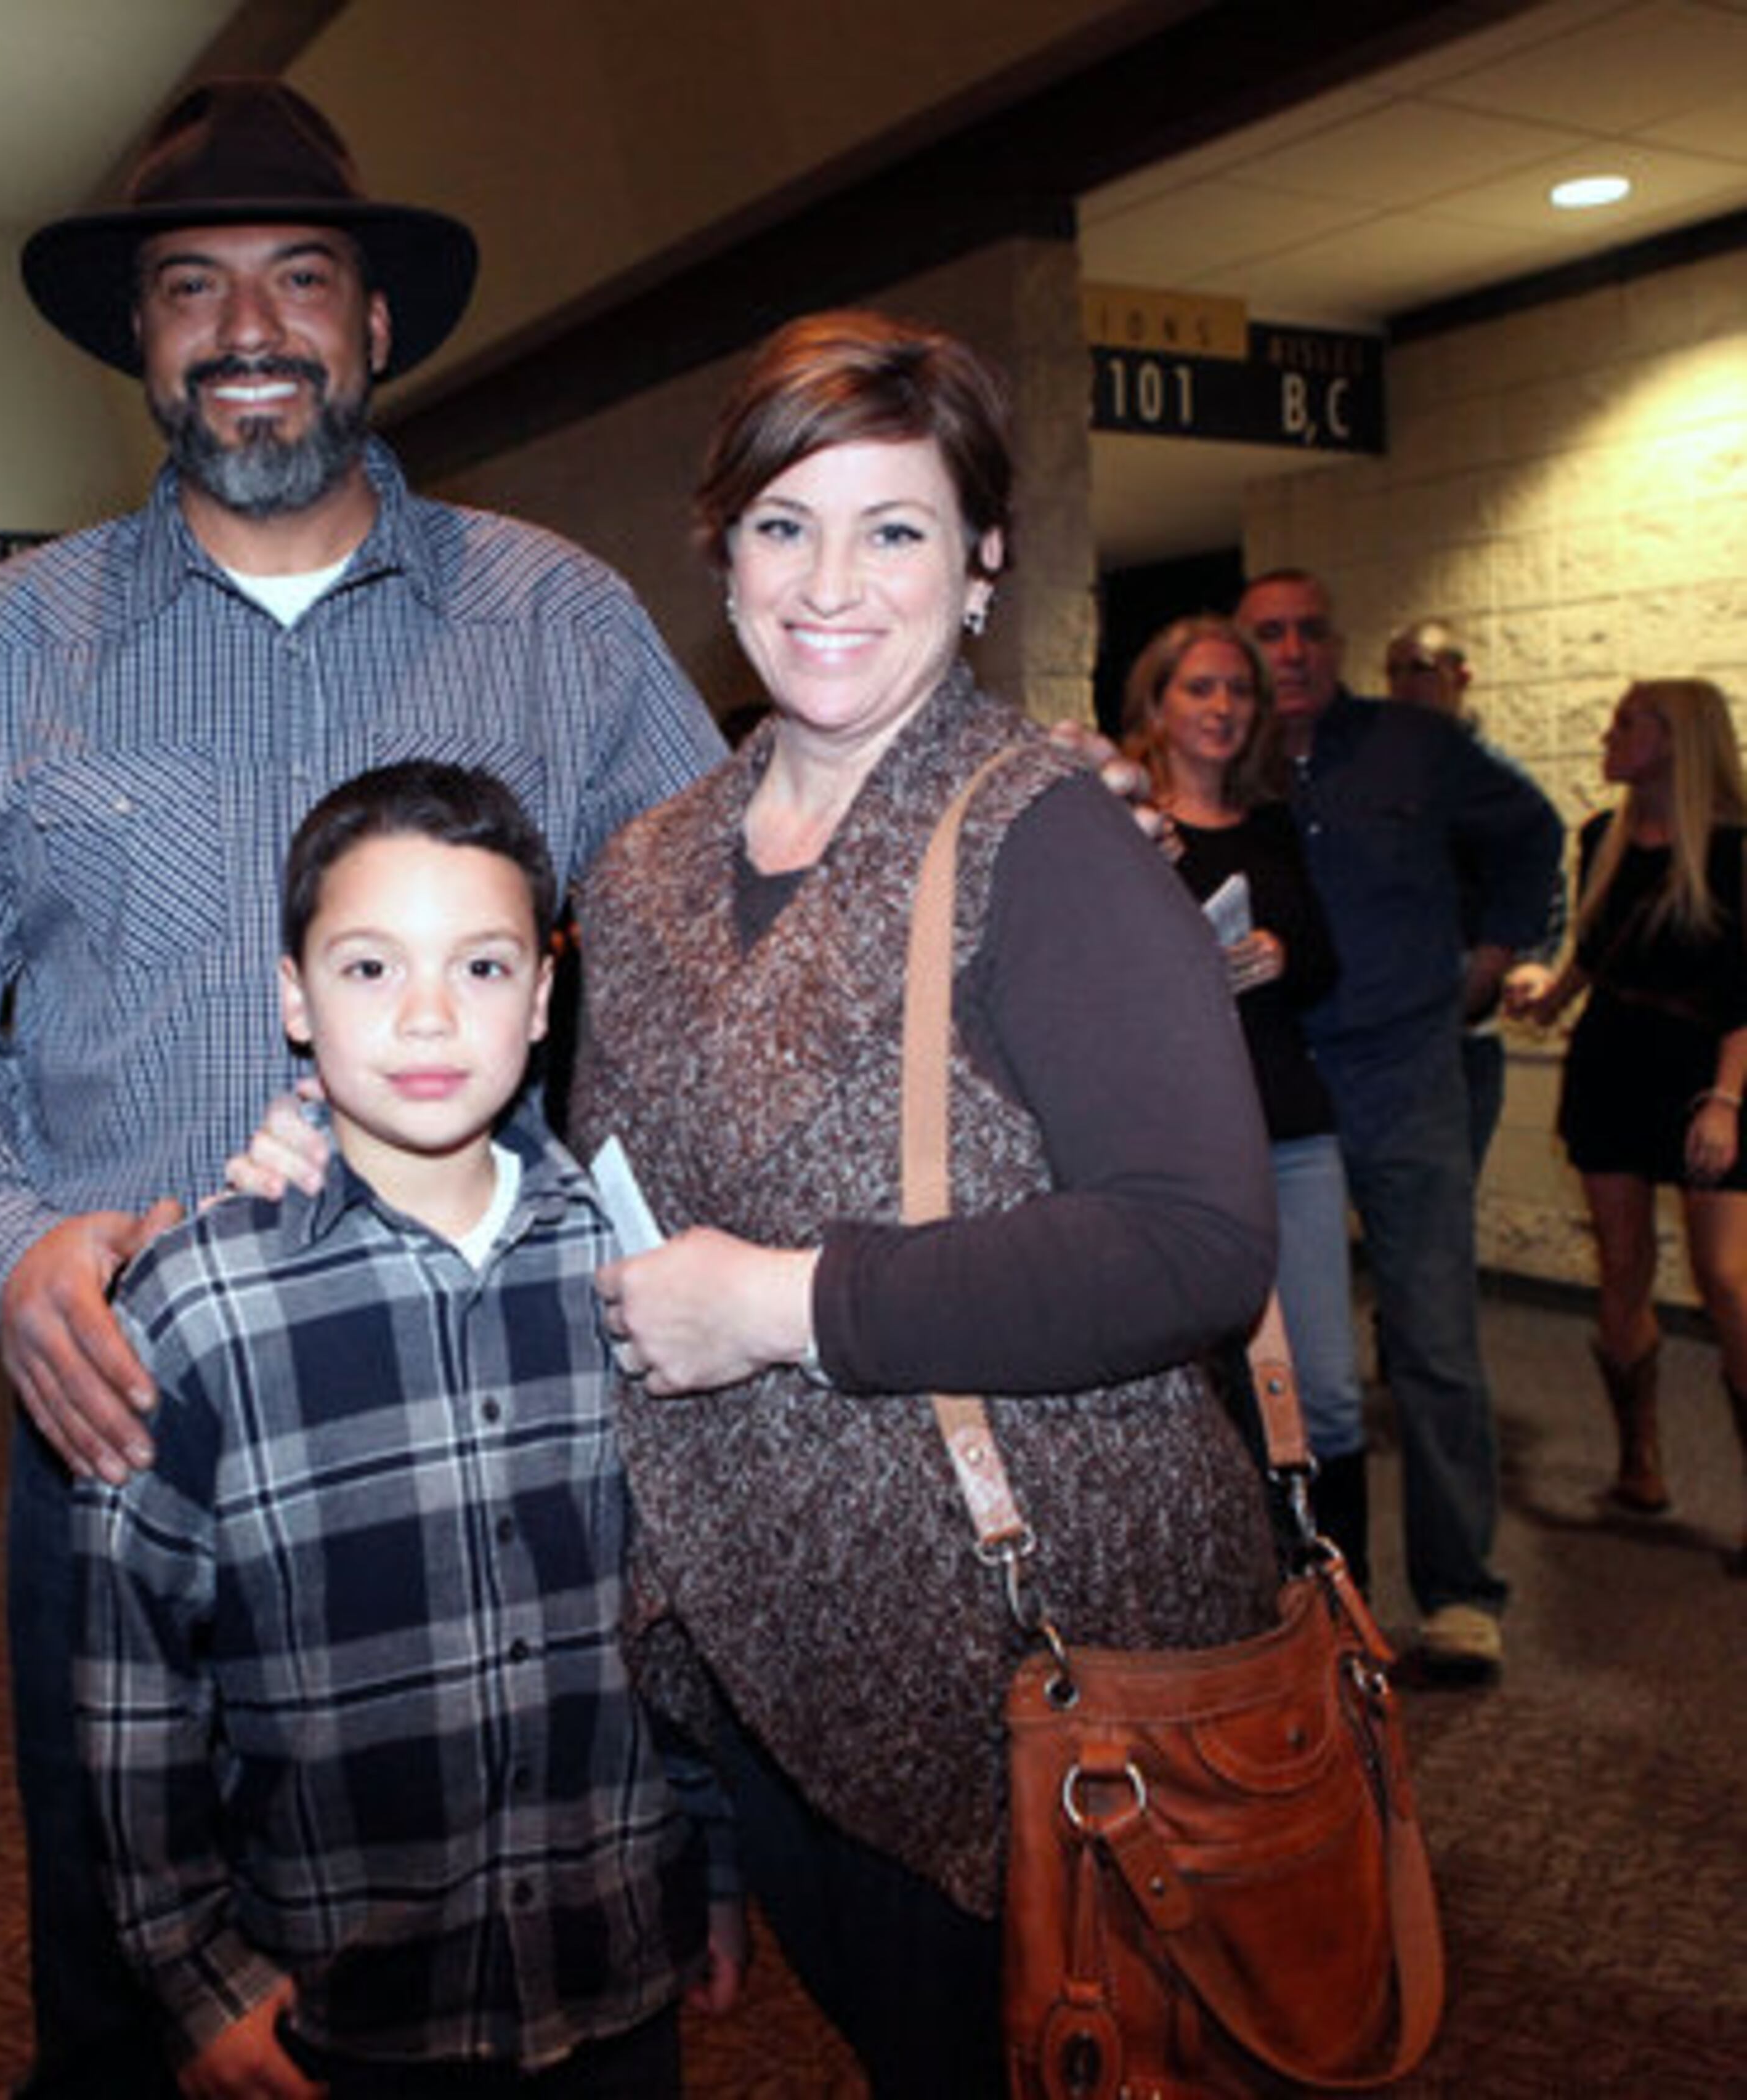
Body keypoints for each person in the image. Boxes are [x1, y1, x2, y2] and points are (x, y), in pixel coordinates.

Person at [0, 78, 722, 2096]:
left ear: (375, 324)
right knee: (140, 1997)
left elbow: (730, 936)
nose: (248, 325)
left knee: (557, 1949)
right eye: (192, 286)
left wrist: (993, 808)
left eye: (301, 275)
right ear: (141, 340)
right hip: (135, 1419)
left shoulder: (558, 619)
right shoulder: (2, 654)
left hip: (510, 1424)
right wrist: (10, 1244)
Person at [564, 313, 1281, 2094]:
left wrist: (795, 1306)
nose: (832, 581)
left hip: (1044, 1666)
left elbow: (1197, 1240)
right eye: (785, 523)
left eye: (895, 528)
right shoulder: (646, 864)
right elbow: (597, 1209)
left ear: (980, 567)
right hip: (764, 1668)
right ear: (719, 547)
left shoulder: (1048, 829)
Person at [76, 764, 737, 2097]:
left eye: (483, 969)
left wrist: (712, 1863)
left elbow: (687, 1605)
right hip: (340, 2005)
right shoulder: (198, 1308)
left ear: (546, 995)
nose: (429, 1015)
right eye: (370, 968)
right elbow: (137, 1688)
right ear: (292, 996)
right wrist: (193, 1974)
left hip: (613, 1958)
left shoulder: (636, 1271)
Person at [1236, 570, 1562, 1682]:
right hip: (1279, 1085)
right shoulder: (1233, 756)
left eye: (1311, 631)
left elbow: (1530, 832)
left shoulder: (1417, 747)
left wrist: (1496, 950)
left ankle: (1461, 1594)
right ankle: (1307, 1590)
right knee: (1296, 1367)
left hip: (1406, 1070)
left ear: (1340, 644)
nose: (1292, 652)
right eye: (1268, 634)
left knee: (1432, 1339)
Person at [1119, 615, 1370, 1581]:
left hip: (1290, 1128)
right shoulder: (1126, 822)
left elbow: (1324, 968)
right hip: (1173, 1142)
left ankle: (1342, 1612)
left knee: (1328, 1393)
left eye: (1240, 691)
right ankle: (1235, 1608)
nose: (1224, 708)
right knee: (1196, 1388)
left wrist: (1280, 955)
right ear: (1157, 703)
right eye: (1201, 688)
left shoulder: (1270, 822)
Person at [1504, 680, 1747, 1572]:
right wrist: (1546, 989)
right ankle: (1640, 1462)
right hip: (1610, 1061)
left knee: (1727, 1279)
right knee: (1622, 1266)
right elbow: (1593, 958)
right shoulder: (1600, 839)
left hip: (1706, 1073)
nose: (1609, 736)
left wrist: (1726, 1102)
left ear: (1676, 740)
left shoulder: (1733, 848)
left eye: (1626, 723)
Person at [1385, 617, 1564, 1171]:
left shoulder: (1498, 783)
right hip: (1388, 1033)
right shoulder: (1376, 780)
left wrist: (1526, 965)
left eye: (1419, 668)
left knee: (1446, 1201)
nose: (1403, 685)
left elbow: (1541, 887)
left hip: (1463, 1034)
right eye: (1393, 672)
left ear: (1462, 677)